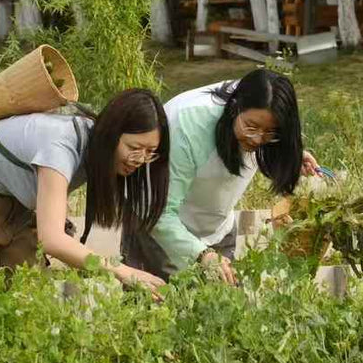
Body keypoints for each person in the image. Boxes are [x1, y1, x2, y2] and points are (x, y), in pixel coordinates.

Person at [0, 88, 171, 292]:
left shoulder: (95, 150)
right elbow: (52, 240)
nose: (140, 159)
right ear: (111, 133)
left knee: (29, 300)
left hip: (13, 204)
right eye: (134, 148)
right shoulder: (60, 146)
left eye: (150, 152)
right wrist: (123, 272)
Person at [122, 69, 319, 285]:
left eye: (270, 133)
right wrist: (202, 254)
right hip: (160, 231)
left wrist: (288, 153)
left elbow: (263, 132)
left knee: (225, 301)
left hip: (215, 226)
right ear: (234, 108)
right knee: (162, 301)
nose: (257, 139)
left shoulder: (262, 106)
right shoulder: (187, 124)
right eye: (251, 127)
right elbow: (158, 211)